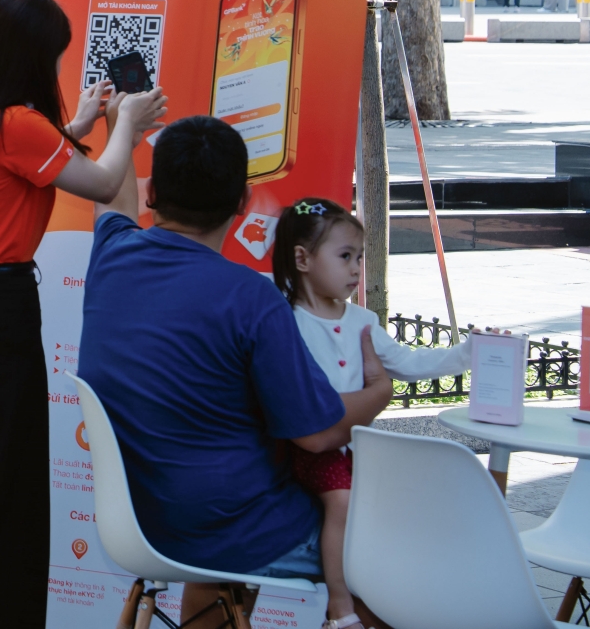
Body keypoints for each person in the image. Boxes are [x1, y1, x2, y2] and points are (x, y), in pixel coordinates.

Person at [0, 0, 168, 627]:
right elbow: (104, 184)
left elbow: (19, 162)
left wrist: (75, 127)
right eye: (53, 56)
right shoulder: (18, 126)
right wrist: (126, 125)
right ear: (29, 56)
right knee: (0, 495)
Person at [79, 116, 393, 627]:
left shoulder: (112, 256)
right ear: (243, 201)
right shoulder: (251, 298)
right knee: (388, 554)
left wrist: (123, 128)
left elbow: (111, 200)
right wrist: (380, 390)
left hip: (136, 523)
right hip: (233, 530)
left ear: (152, 194)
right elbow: (318, 434)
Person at [273, 198, 470, 629]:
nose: (356, 269)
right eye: (345, 256)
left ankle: (392, 595)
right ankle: (340, 605)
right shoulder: (285, 321)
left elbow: (408, 362)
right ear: (302, 259)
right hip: (311, 448)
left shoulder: (363, 320)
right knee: (342, 502)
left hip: (356, 448)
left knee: (397, 507)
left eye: (359, 258)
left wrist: (467, 354)